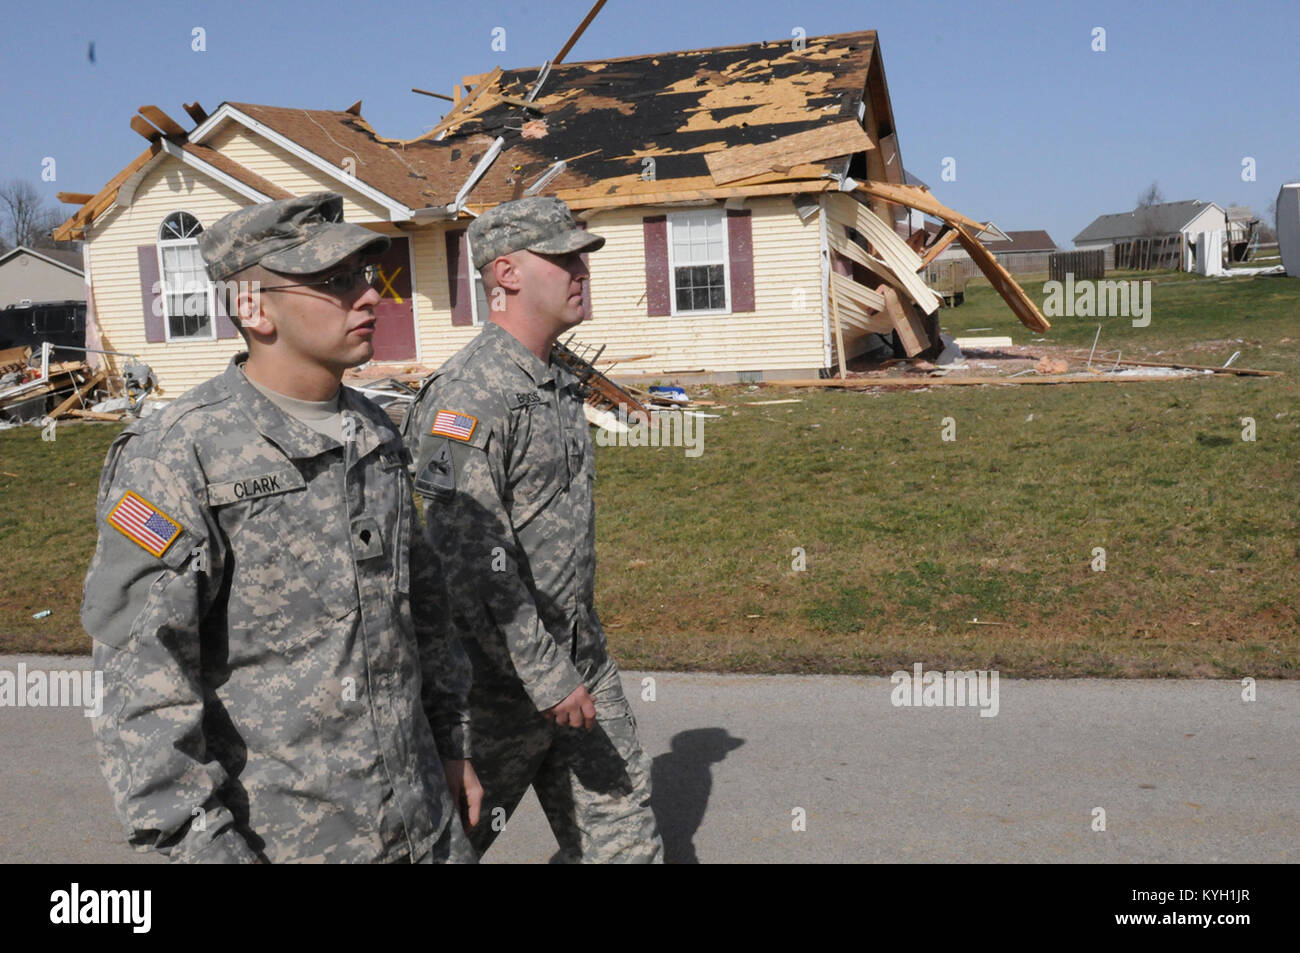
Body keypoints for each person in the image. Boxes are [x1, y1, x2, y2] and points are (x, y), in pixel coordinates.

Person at [82, 192, 481, 863]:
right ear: (253, 307)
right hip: (286, 844)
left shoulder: (374, 431)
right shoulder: (178, 455)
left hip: (423, 827)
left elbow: (423, 614)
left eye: (363, 275)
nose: (367, 296)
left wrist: (450, 747)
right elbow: (143, 684)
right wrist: (206, 847)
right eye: (333, 281)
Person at [406, 196, 662, 863]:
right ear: (507, 274)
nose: (582, 270)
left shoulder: (556, 379)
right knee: (443, 845)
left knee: (626, 842)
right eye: (564, 258)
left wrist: (571, 660)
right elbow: (465, 552)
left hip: (578, 657)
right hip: (491, 683)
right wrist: (545, 674)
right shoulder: (466, 393)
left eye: (583, 257)